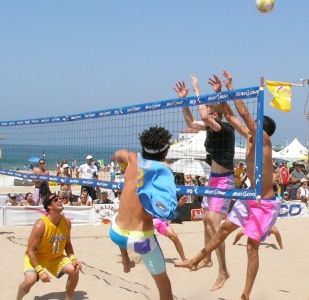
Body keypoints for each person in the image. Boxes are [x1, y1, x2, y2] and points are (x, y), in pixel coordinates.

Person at [176, 70, 281, 300]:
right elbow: (230, 115)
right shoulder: (251, 138)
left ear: (263, 129)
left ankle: (245, 295)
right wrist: (220, 93)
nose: (252, 125)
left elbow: (243, 115)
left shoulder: (265, 141)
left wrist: (232, 89)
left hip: (266, 203)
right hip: (250, 196)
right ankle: (198, 260)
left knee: (251, 249)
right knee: (223, 228)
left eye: (257, 123)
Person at [174, 74, 235, 290]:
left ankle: (223, 270)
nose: (206, 114)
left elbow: (203, 115)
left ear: (215, 114)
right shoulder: (210, 126)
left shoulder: (223, 127)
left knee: (213, 222)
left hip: (225, 181)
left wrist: (197, 89)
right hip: (213, 180)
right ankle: (207, 259)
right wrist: (184, 100)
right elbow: (191, 122)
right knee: (205, 222)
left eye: (209, 112)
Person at [110, 126, 178, 300]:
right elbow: (167, 211)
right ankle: (127, 256)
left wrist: (124, 166)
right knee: (164, 284)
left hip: (115, 232)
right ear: (166, 150)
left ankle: (125, 258)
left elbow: (118, 153)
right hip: (139, 240)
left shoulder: (133, 159)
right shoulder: (163, 171)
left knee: (121, 216)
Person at [16, 193, 82, 300]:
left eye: (59, 198)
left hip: (55, 258)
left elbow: (68, 244)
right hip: (37, 258)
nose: (59, 200)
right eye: (55, 200)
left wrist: (73, 258)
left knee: (75, 269)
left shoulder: (66, 222)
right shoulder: (41, 224)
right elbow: (30, 250)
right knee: (29, 281)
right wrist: (40, 272)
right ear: (49, 207)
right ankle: (18, 298)